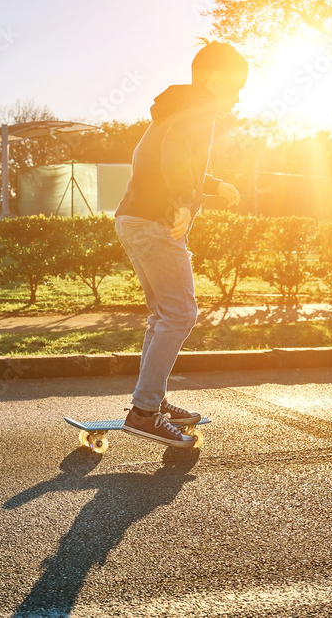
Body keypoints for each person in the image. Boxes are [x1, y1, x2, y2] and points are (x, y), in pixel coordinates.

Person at [115, 38, 248, 448]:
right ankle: (144, 412)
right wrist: (178, 203)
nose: (238, 97)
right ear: (218, 77)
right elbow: (174, 154)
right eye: (237, 87)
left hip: (132, 217)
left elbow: (161, 157)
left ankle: (151, 399)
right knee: (182, 313)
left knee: (162, 315)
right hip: (155, 222)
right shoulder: (201, 105)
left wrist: (211, 185)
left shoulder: (176, 108)